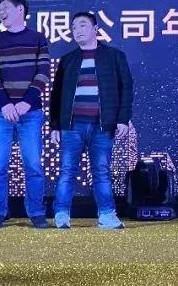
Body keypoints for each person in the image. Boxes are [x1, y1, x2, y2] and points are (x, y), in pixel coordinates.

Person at [50, 12, 133, 230]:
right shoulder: (68, 60)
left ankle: (106, 215)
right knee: (67, 171)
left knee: (101, 171)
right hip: (71, 126)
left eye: (82, 25)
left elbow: (126, 89)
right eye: (73, 27)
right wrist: (55, 125)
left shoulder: (114, 56)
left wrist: (122, 120)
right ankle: (61, 214)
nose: (77, 30)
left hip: (102, 125)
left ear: (95, 29)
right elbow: (56, 95)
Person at [0, 0, 51, 229]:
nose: (1, 13)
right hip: (0, 112)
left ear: (21, 9)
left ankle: (36, 212)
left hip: (30, 112)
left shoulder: (38, 38)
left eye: (5, 8)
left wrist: (27, 102)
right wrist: (5, 103)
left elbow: (43, 73)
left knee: (33, 165)